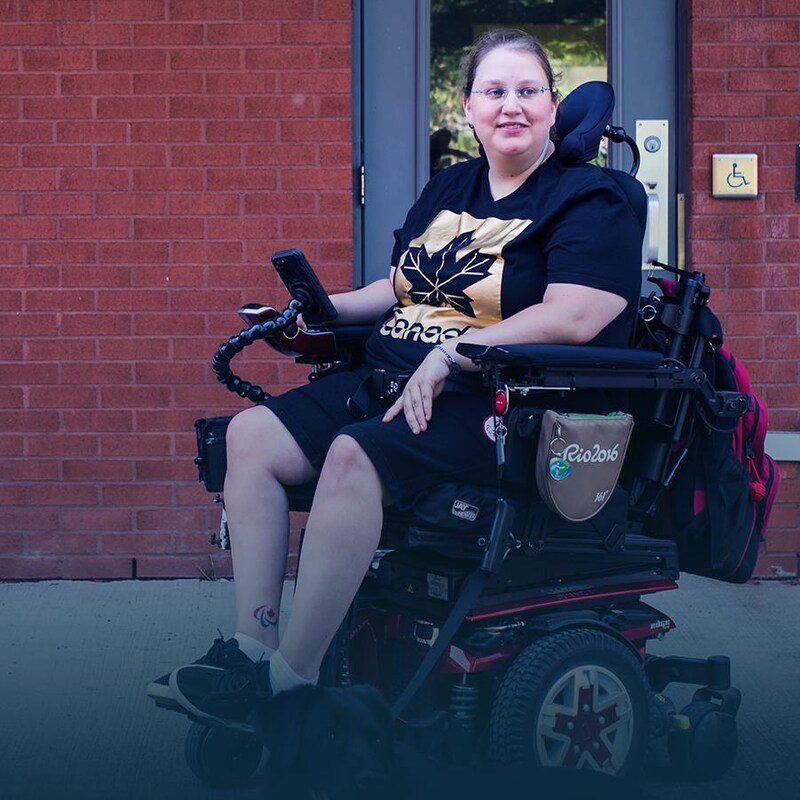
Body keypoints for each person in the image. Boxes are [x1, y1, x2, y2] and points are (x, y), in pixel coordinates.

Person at [147, 28, 645, 724]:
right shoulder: (451, 187)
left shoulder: (594, 198)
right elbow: (401, 288)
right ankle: (251, 653)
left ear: (554, 107)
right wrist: (313, 317)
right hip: (390, 379)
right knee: (249, 440)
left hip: (500, 404)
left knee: (354, 454)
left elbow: (576, 315)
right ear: (468, 108)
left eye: (528, 91)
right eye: (494, 91)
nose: (511, 105)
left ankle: (291, 683)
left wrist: (454, 354)